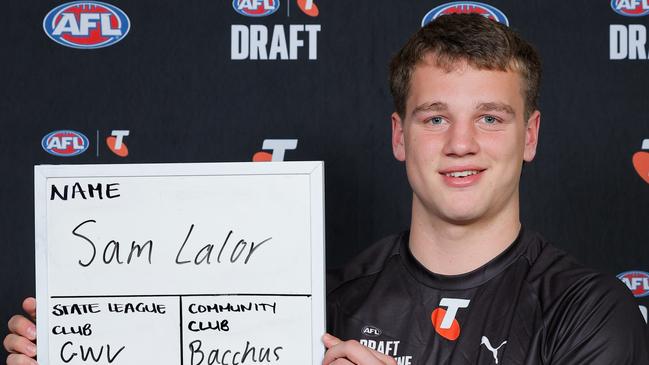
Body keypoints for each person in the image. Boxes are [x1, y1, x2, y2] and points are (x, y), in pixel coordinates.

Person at [5, 13, 649, 365]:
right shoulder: (321, 307)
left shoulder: (589, 314)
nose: (461, 143)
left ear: (530, 136)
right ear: (400, 136)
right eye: (434, 118)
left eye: (490, 117)